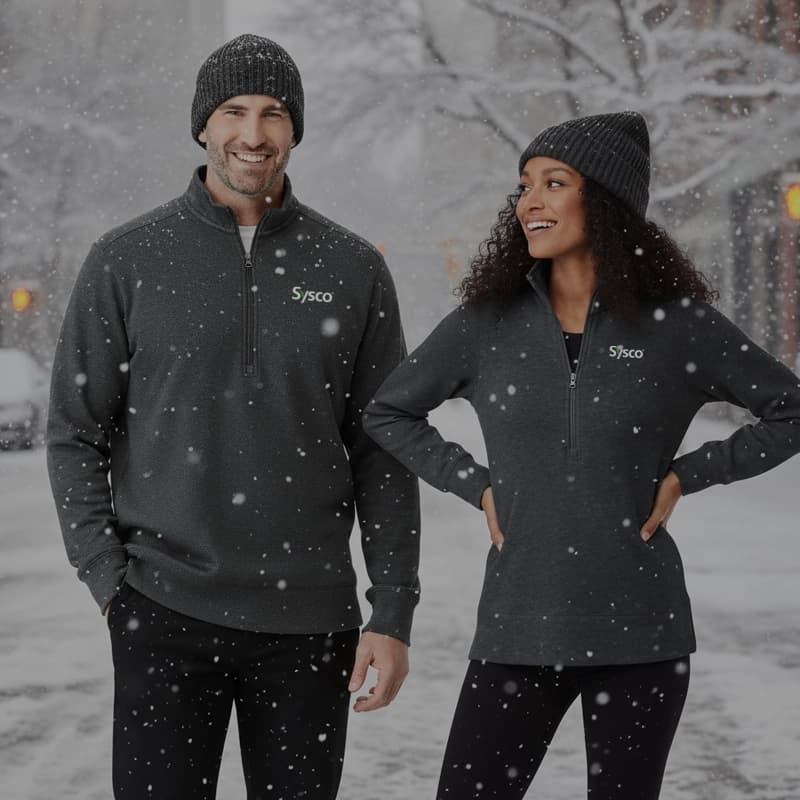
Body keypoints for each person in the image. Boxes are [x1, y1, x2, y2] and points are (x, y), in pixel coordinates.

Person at [363, 111, 800, 799]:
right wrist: (476, 483)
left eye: (553, 183)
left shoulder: (675, 324)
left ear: (604, 201)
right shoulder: (488, 322)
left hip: (641, 638)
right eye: (524, 185)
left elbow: (790, 408)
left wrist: (693, 472)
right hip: (517, 631)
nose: (530, 202)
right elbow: (388, 411)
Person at [47, 33, 420, 800]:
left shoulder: (352, 268)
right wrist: (110, 583)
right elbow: (74, 432)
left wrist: (393, 609)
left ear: (295, 129)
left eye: (274, 113)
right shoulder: (127, 259)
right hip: (162, 610)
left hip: (311, 623)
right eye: (233, 111)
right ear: (202, 126)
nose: (253, 134)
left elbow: (383, 450)